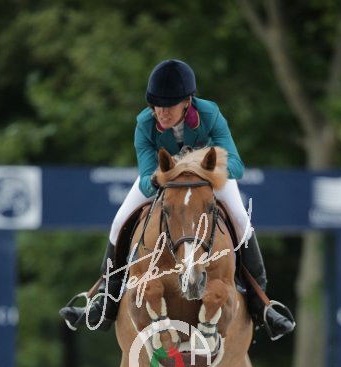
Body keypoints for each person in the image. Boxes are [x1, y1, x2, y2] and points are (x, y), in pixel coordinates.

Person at [60, 59, 295, 340]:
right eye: (156, 106)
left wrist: (200, 167)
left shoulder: (210, 114)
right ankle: (104, 301)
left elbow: (237, 165)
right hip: (167, 180)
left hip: (206, 178)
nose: (161, 113)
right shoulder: (144, 124)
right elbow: (146, 179)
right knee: (119, 221)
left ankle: (262, 306)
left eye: (169, 106)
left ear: (187, 102)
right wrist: (164, 176)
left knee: (241, 220)